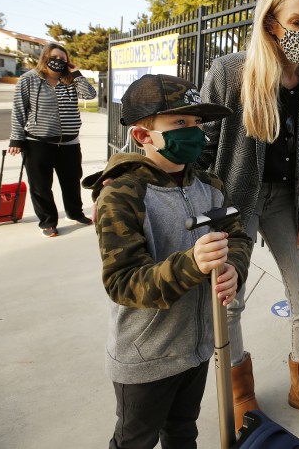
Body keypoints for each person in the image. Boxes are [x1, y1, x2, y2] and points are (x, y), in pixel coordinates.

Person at [197, 0, 299, 429]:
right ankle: (240, 392)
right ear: (270, 23)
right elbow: (203, 147)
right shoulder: (231, 72)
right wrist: (208, 219)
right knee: (230, 299)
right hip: (235, 201)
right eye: (296, 21)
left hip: (288, 199)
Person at [85, 73, 252, 449]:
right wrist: (192, 263)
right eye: (180, 123)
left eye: (196, 123)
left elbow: (238, 235)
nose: (194, 133)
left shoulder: (210, 186)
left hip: (197, 349)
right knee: (135, 440)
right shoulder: (123, 196)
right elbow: (123, 282)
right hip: (147, 358)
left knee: (182, 431)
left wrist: (233, 268)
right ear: (143, 136)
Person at [8, 43, 97, 237]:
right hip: (38, 141)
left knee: (72, 181)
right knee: (41, 185)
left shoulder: (70, 80)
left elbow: (90, 95)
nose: (59, 61)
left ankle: (74, 213)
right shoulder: (28, 79)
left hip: (69, 142)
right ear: (46, 57)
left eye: (63, 59)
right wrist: (16, 139)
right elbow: (19, 110)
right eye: (55, 57)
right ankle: (47, 221)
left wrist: (77, 74)